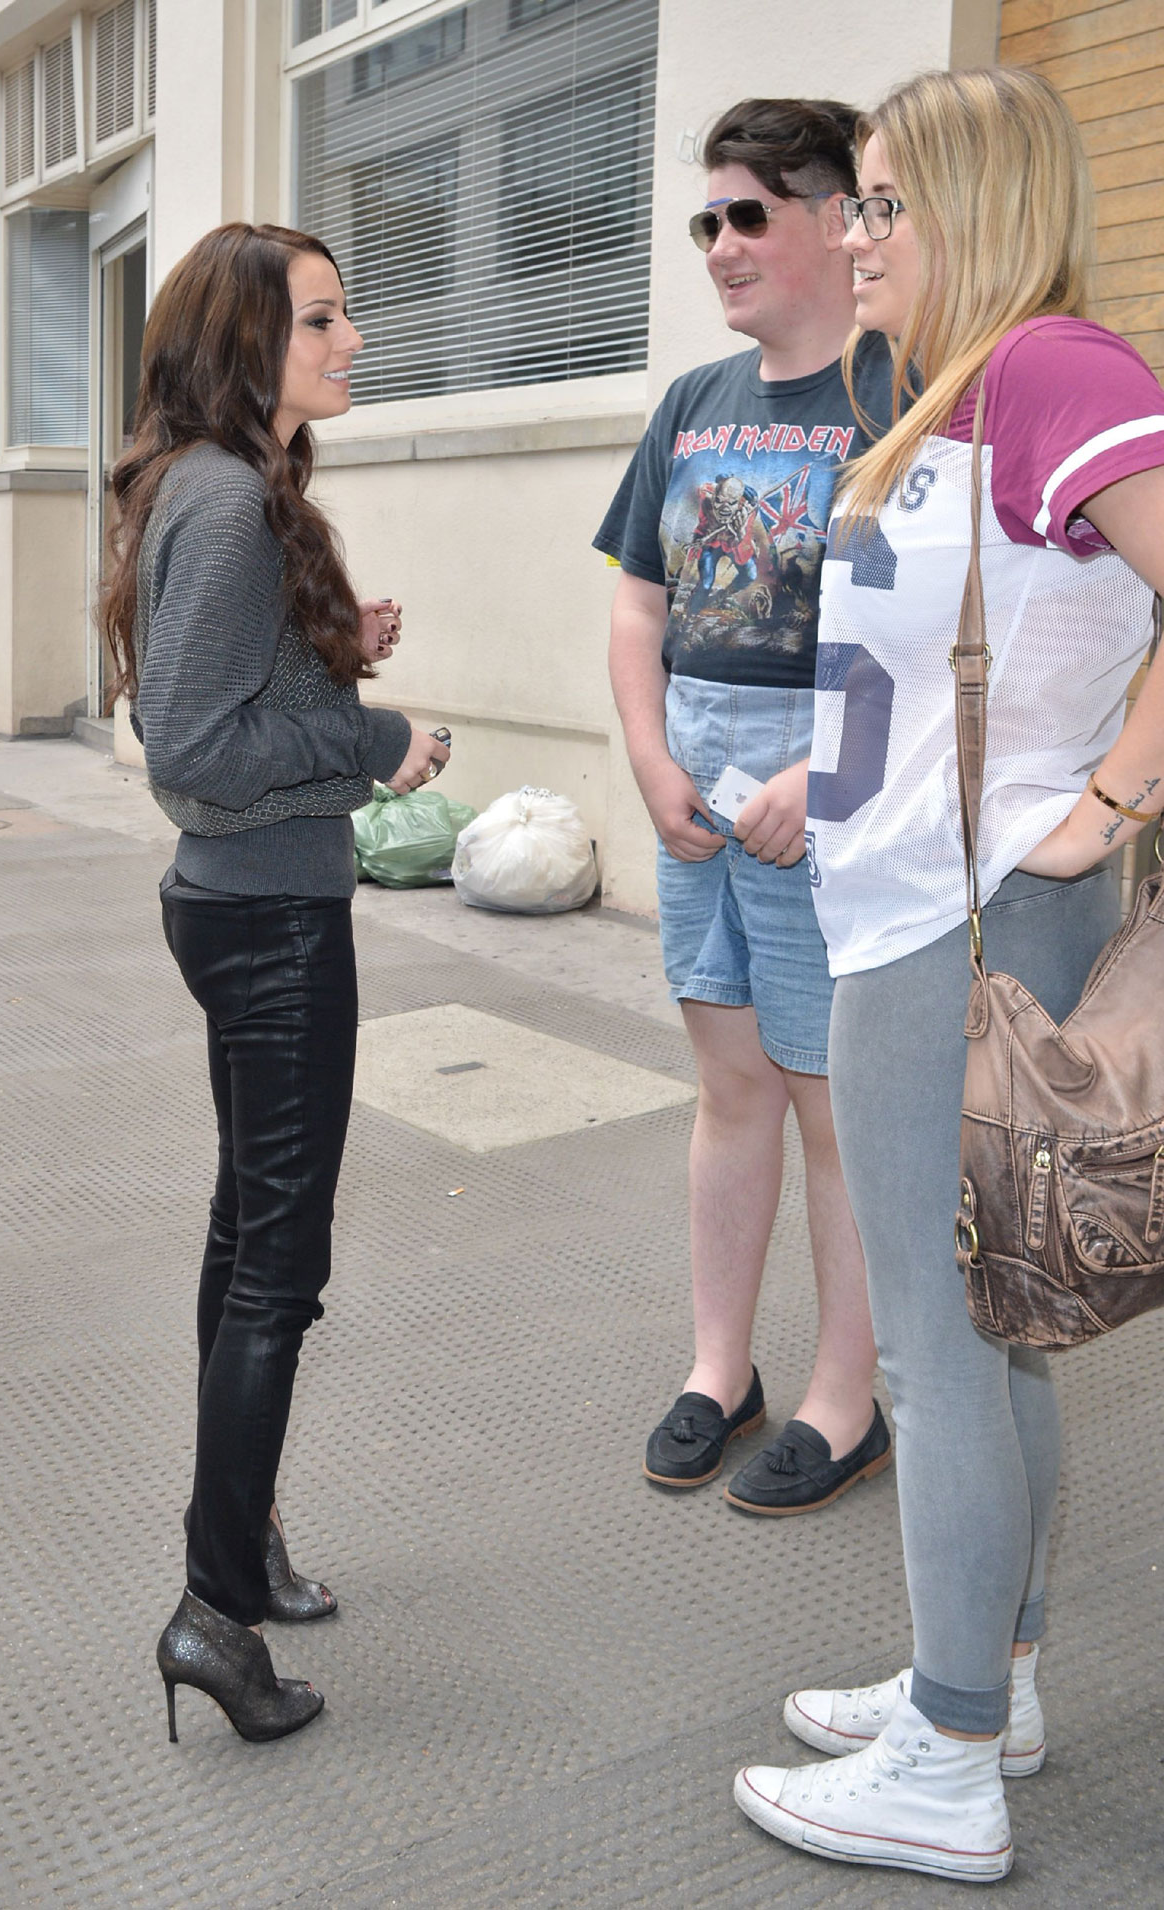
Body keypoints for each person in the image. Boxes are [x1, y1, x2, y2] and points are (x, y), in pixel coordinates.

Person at [732, 68, 1164, 1881]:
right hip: (908, 907)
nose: (854, 231)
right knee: (993, 1342)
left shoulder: (1062, 372)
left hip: (965, 931)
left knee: (940, 1353)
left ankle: (947, 1755)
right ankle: (987, 1677)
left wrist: (1107, 804)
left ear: (972, 206)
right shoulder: (957, 397)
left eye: (887, 203)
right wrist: (808, 791)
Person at [101, 223, 449, 1742]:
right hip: (271, 923)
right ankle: (212, 1609)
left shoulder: (222, 487)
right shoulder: (234, 499)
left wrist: (327, 659)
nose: (354, 338)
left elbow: (228, 693)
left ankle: (233, 1554)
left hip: (243, 911)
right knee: (277, 1267)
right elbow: (189, 753)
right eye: (324, 319)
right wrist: (373, 743)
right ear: (254, 345)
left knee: (247, 1232)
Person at [595, 100, 890, 1514]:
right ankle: (725, 1368)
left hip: (822, 791)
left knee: (834, 1107)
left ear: (840, 217)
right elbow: (638, 604)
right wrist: (652, 760)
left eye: (748, 215)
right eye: (706, 219)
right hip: (699, 788)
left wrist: (820, 776)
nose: (719, 244)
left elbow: (932, 640)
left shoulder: (897, 397)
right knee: (730, 1089)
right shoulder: (691, 407)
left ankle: (847, 1394)